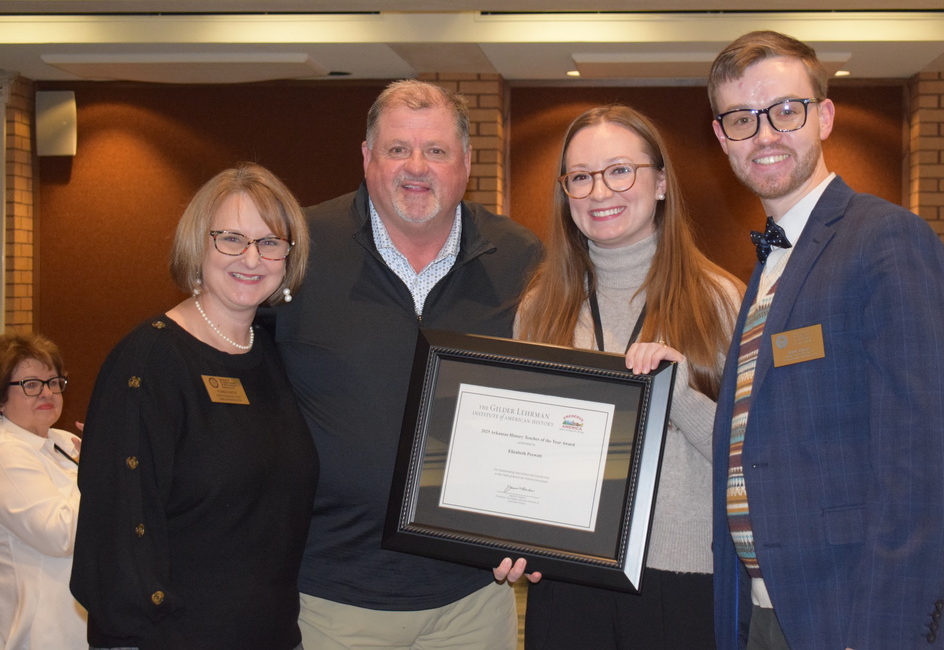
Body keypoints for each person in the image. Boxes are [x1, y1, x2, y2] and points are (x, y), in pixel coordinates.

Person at [707, 30, 944, 649]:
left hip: (856, 614)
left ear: (823, 117)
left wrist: (881, 633)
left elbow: (921, 466)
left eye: (785, 110)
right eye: (741, 118)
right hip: (772, 608)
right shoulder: (772, 262)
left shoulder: (888, 242)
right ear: (722, 137)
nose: (766, 134)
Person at [273, 79, 542, 650]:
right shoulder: (299, 248)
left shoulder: (520, 258)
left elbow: (549, 399)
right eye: (397, 149)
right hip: (329, 597)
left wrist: (537, 526)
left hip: (474, 598)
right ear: (367, 157)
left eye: (436, 151)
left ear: (466, 162)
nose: (415, 167)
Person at [495, 104, 741, 649]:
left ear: (659, 183)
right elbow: (522, 447)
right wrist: (507, 530)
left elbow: (750, 456)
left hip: (683, 580)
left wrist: (676, 394)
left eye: (619, 171)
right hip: (567, 578)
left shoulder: (718, 300)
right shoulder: (539, 307)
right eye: (580, 177)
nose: (600, 192)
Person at [70, 163, 319, 650]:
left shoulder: (270, 356)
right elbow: (118, 532)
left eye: (270, 242)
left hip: (272, 635)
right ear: (197, 245)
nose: (251, 257)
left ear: (288, 258)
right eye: (231, 238)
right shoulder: (147, 362)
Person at [0, 332, 86, 649]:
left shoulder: (61, 441)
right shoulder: (5, 453)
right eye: (31, 384)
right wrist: (100, 471)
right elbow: (59, 534)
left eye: (53, 382)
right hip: (43, 631)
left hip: (81, 617)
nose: (47, 392)